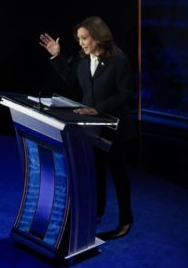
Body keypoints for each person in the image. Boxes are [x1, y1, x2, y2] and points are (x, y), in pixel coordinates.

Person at [39, 16, 136, 240]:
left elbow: (125, 93)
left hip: (116, 129)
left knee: (119, 175)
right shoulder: (83, 60)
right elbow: (71, 81)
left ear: (98, 36)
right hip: (92, 129)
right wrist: (57, 55)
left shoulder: (119, 60)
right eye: (79, 39)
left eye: (84, 38)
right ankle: (97, 212)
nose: (81, 43)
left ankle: (126, 219)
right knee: (97, 172)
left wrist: (97, 109)